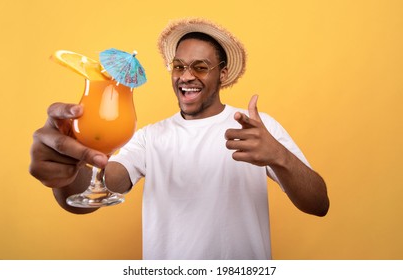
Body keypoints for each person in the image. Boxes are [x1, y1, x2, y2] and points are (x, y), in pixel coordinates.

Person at [29, 18, 329, 260]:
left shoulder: (258, 129)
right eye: (179, 66)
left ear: (223, 74)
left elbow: (318, 203)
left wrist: (280, 156)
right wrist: (69, 168)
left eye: (200, 67)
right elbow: (92, 196)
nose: (186, 76)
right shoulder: (149, 138)